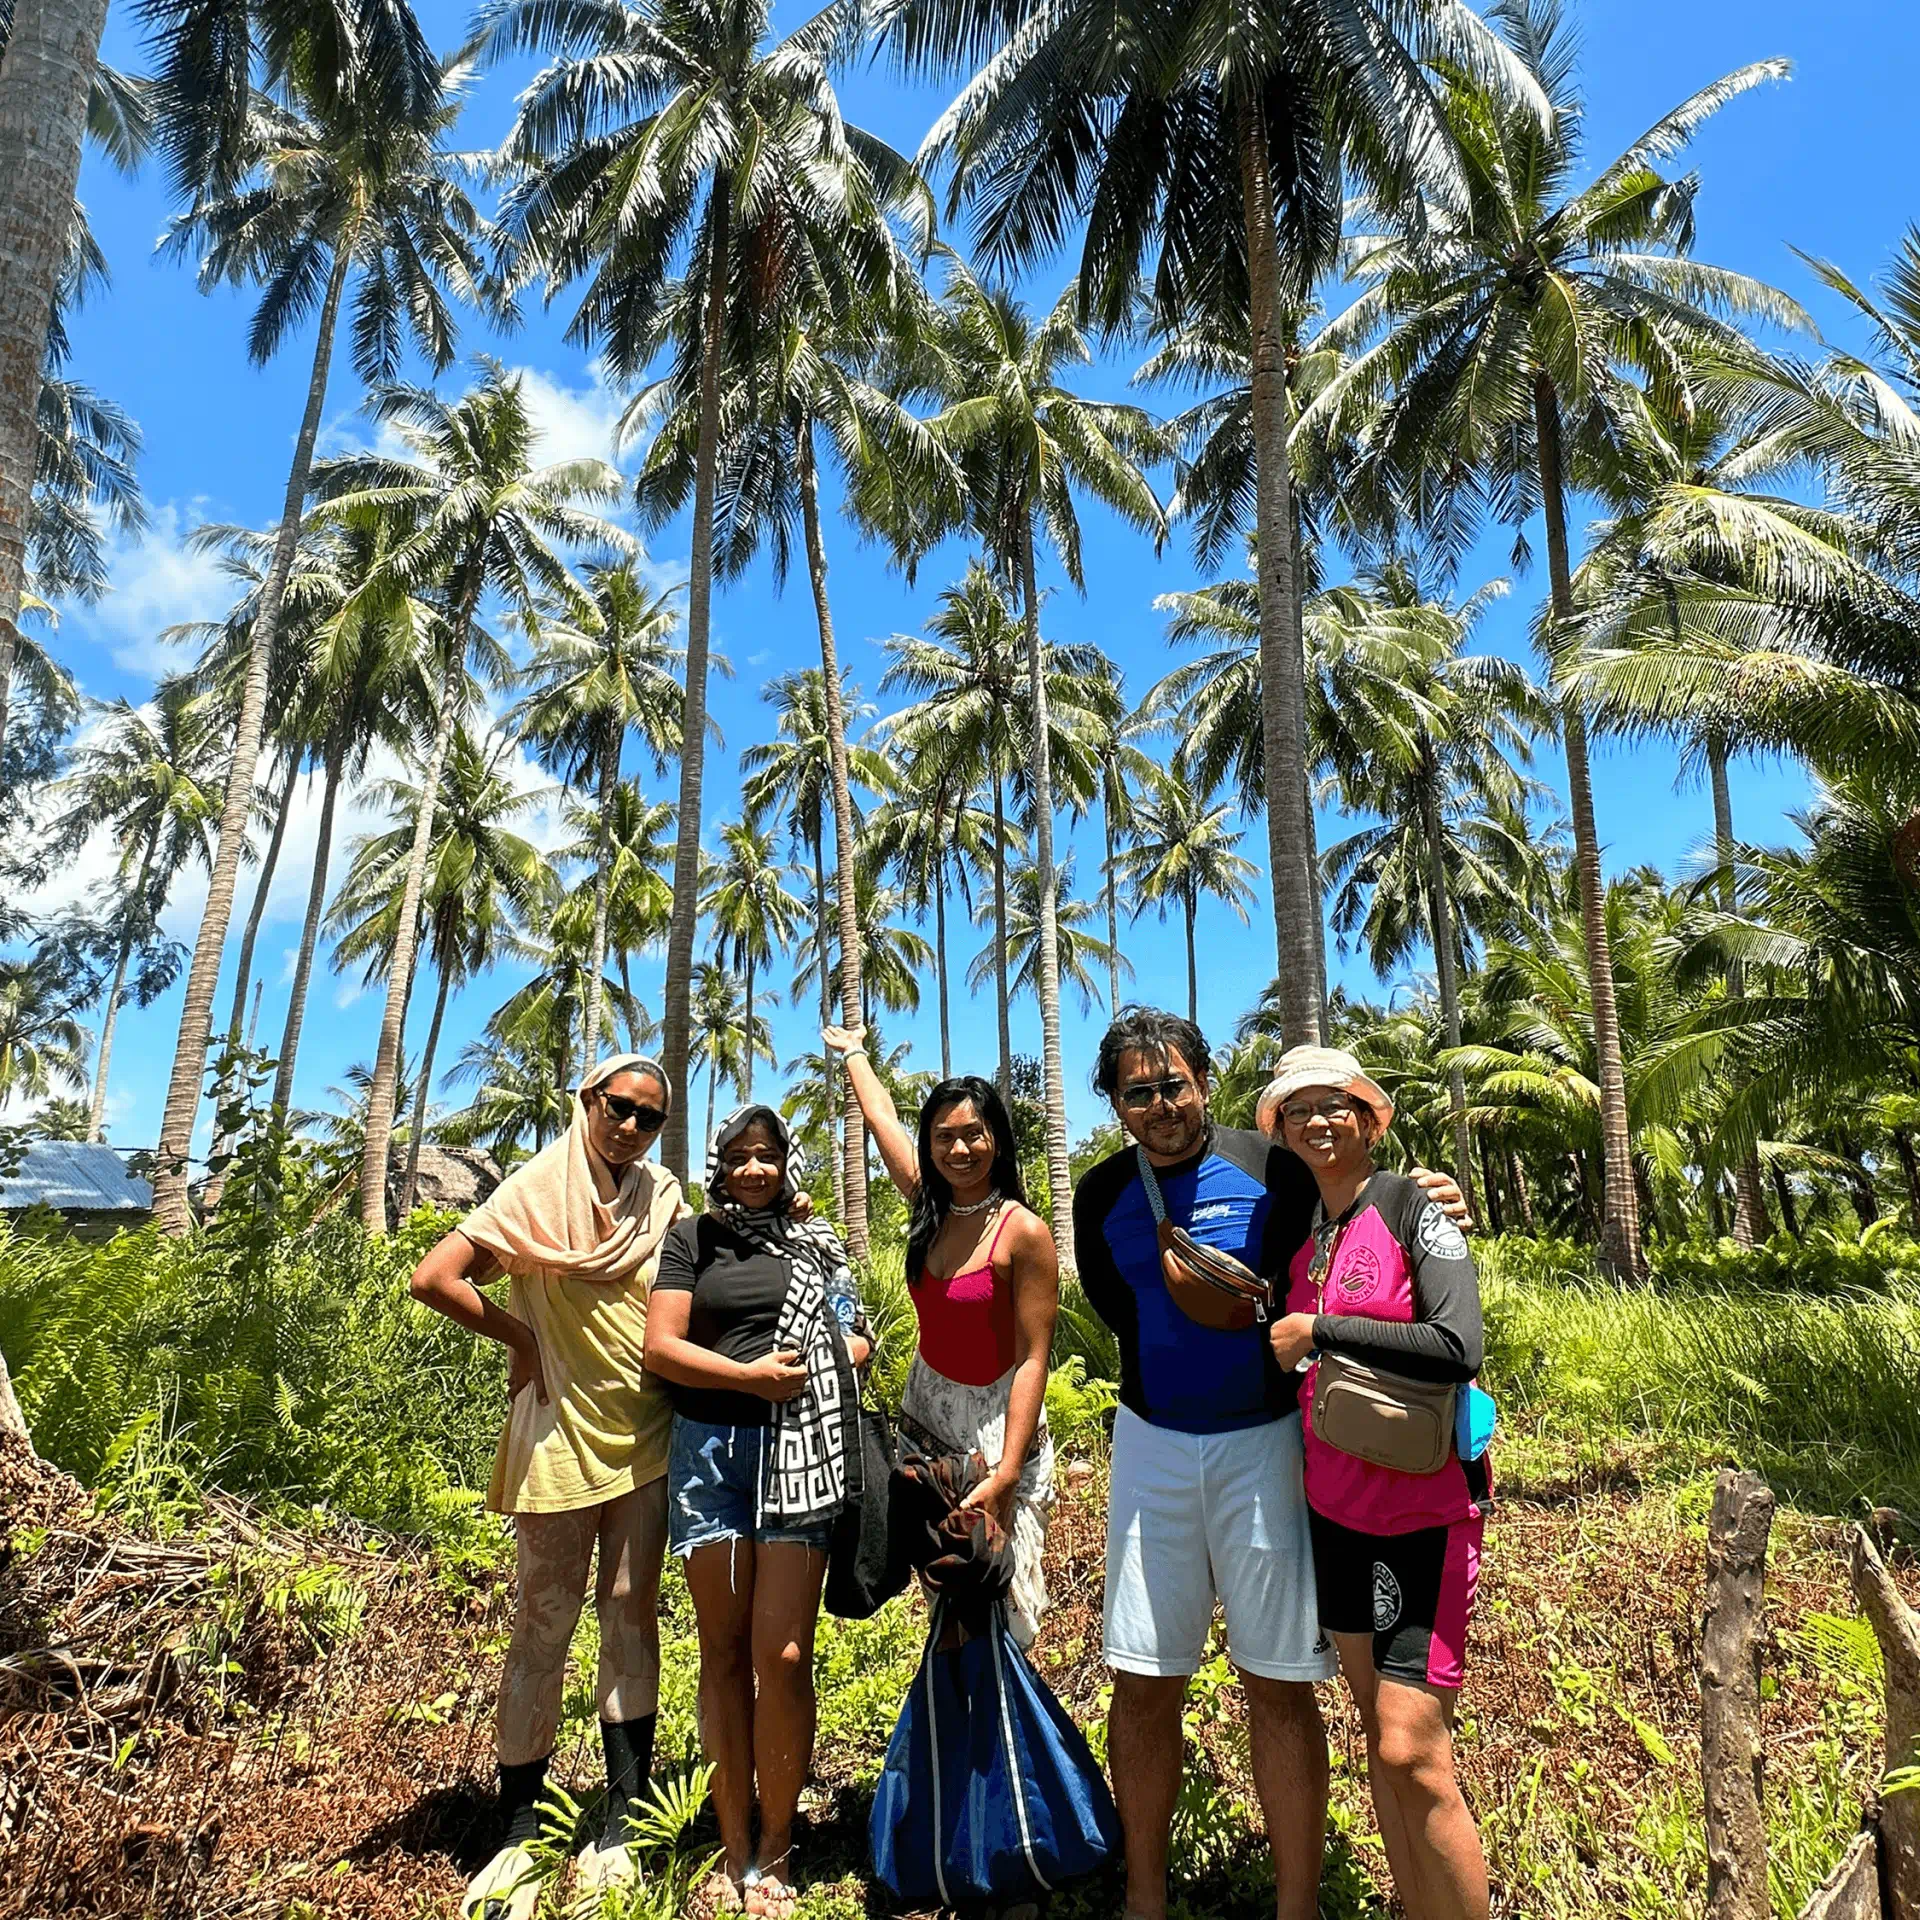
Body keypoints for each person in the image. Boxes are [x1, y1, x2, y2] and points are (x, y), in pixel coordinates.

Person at [1071, 1006, 1467, 1920]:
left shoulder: (1271, 1167)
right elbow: (1115, 1307)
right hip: (1151, 1444)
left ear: (1206, 1081)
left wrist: (1426, 1199)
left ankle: (1297, 1906)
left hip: (1266, 1444)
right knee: (1143, 1677)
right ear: (1116, 1105)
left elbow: (1353, 1210)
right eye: (1139, 1092)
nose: (1162, 1104)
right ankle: (1145, 1898)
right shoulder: (1100, 1197)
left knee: (1280, 1679)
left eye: (1175, 1083)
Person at [407, 1054, 685, 1920]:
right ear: (587, 1102)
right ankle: (522, 1830)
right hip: (557, 1436)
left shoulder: (664, 1196)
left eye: (648, 1117)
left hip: (646, 1438)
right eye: (619, 1107)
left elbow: (699, 1280)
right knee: (542, 1624)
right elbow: (433, 1277)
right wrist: (522, 1343)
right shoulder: (534, 1189)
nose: (630, 1127)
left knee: (632, 1615)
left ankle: (623, 1823)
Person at [1262, 1046, 1491, 1920]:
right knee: (1378, 1735)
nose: (1317, 1120)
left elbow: (1457, 1344)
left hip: (1422, 1509)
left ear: (1368, 1116)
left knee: (1411, 1748)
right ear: (1279, 1131)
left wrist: (1321, 1330)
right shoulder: (1303, 1236)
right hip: (1337, 1514)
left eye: (1334, 1104)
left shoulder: (1409, 1205)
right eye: (1298, 1110)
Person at [644, 1105, 871, 1919]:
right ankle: (732, 1839)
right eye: (737, 1157)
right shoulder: (690, 1240)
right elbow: (661, 1347)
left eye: (766, 1156)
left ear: (786, 1164)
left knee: (781, 1656)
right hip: (710, 1456)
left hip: (797, 1452)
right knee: (722, 1649)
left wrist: (805, 1368)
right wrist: (747, 1379)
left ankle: (778, 1842)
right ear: (718, 1164)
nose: (752, 1170)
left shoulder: (819, 1243)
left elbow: (859, 1341)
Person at [824, 1022, 1058, 1647]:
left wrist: (1008, 1472)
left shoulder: (1023, 1232)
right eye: (943, 1138)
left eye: (973, 1135)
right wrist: (854, 1056)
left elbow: (1035, 1357)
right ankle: (952, 1731)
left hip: (998, 1428)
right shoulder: (929, 1206)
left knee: (1003, 1592)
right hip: (925, 1421)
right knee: (947, 1594)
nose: (959, 1150)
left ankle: (1013, 1737)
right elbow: (882, 1126)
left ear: (997, 1141)